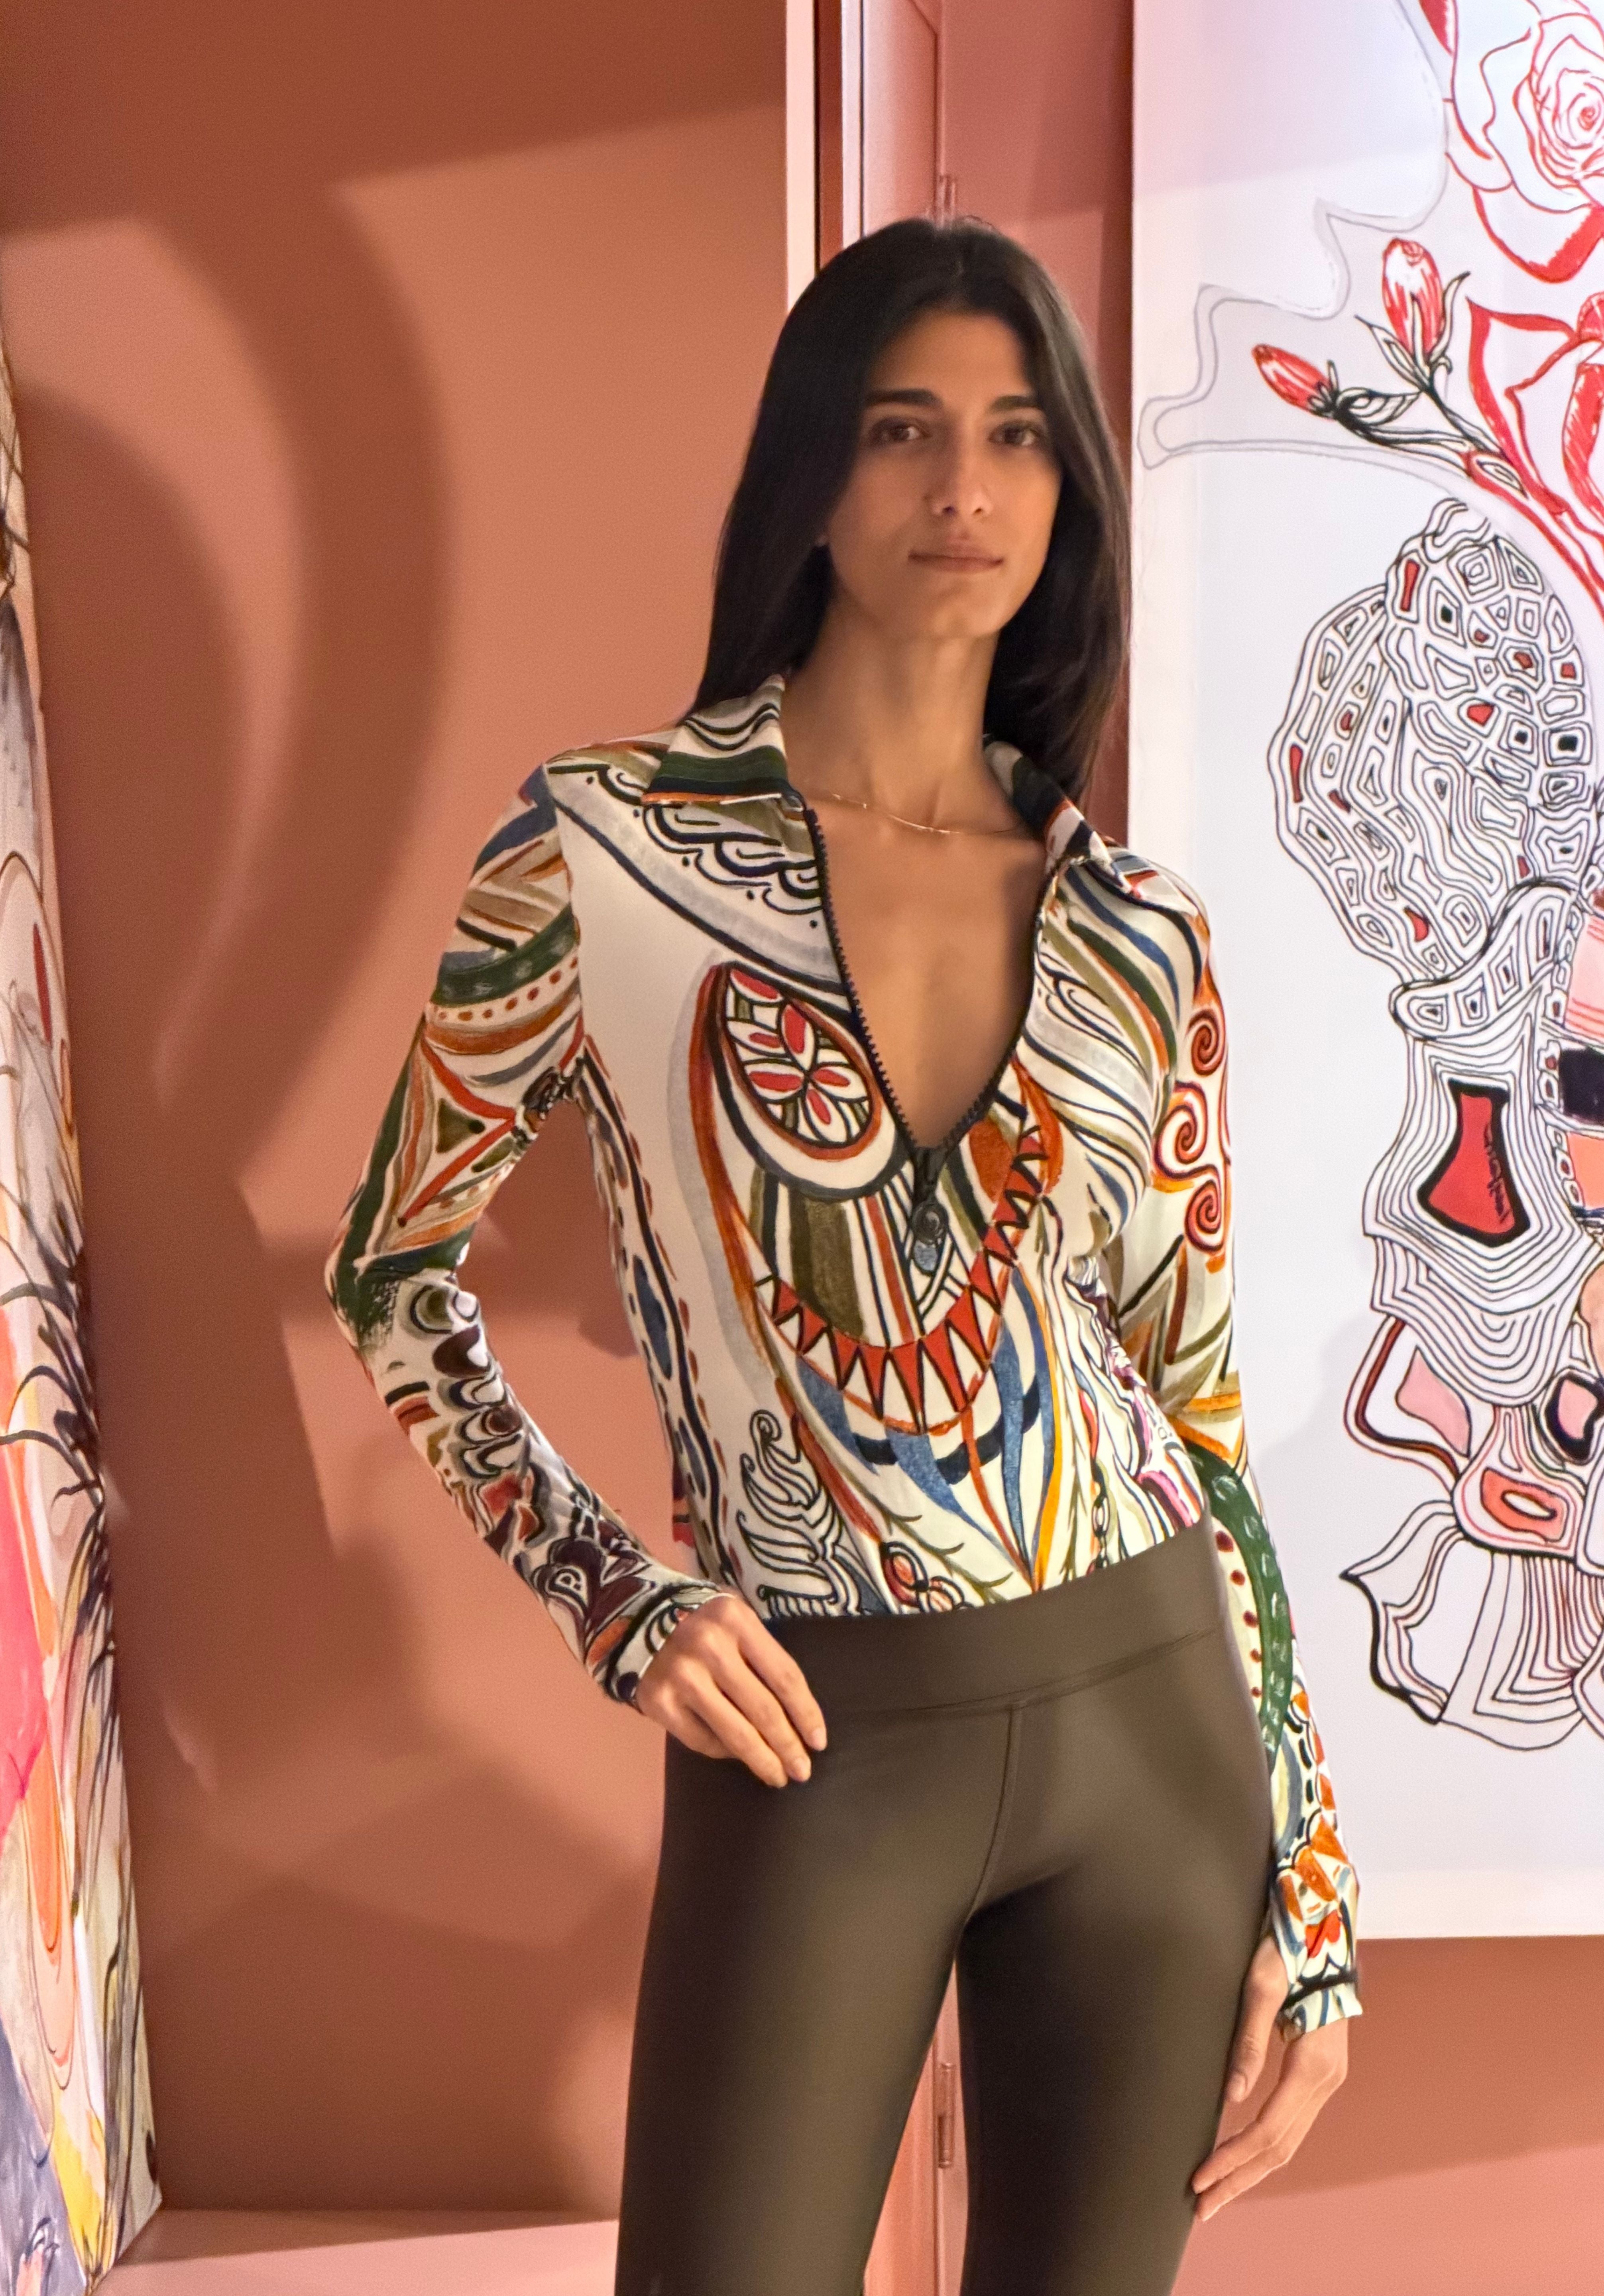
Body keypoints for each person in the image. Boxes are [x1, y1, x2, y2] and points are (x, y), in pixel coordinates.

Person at [326, 216, 1360, 2296]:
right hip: (813, 1729)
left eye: (1014, 435)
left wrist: (1314, 1890)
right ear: (811, 470)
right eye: (901, 429)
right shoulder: (600, 852)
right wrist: (615, 1596)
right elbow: (395, 1277)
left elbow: (1200, 1411)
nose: (963, 488)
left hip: (1154, 1721)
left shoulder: (1139, 935)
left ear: (1069, 490)